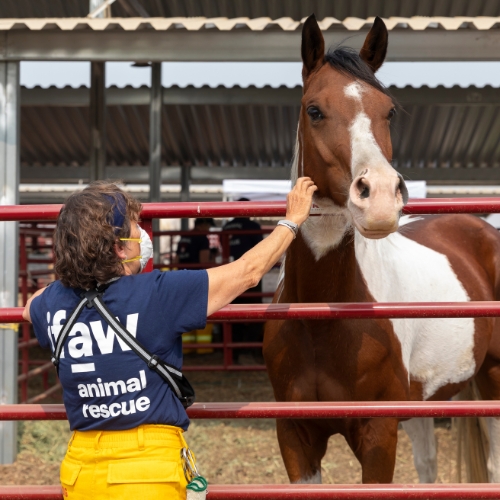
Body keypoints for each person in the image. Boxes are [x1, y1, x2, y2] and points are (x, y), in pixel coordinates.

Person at [22, 177, 317, 499]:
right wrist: (292, 220)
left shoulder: (50, 303)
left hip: (80, 470)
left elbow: (30, 306)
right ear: (118, 247)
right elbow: (247, 271)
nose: (142, 235)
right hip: (147, 470)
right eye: (135, 228)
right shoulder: (158, 294)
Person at [222, 199, 264, 363]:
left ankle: (234, 352)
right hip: (251, 272)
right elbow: (262, 248)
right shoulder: (253, 226)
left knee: (233, 313)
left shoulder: (226, 227)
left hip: (230, 273)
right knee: (255, 313)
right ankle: (251, 350)